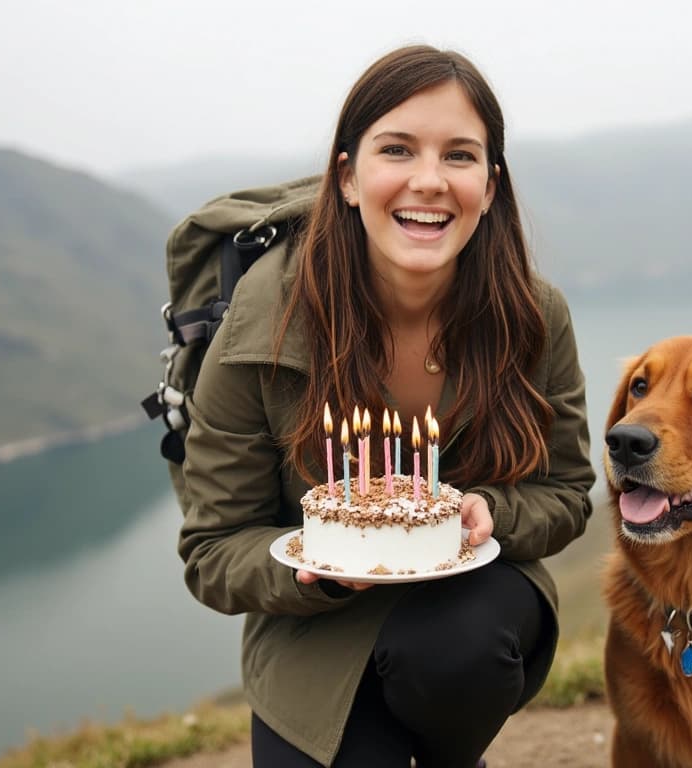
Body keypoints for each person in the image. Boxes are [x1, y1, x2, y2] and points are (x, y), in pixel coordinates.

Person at [178, 44, 595, 768]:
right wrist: (323, 568)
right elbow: (213, 549)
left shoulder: (532, 314)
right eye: (397, 149)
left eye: (460, 156)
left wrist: (493, 509)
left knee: (453, 652)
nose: (429, 181)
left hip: (469, 607)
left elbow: (566, 492)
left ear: (491, 186)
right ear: (347, 176)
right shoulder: (263, 321)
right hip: (313, 631)